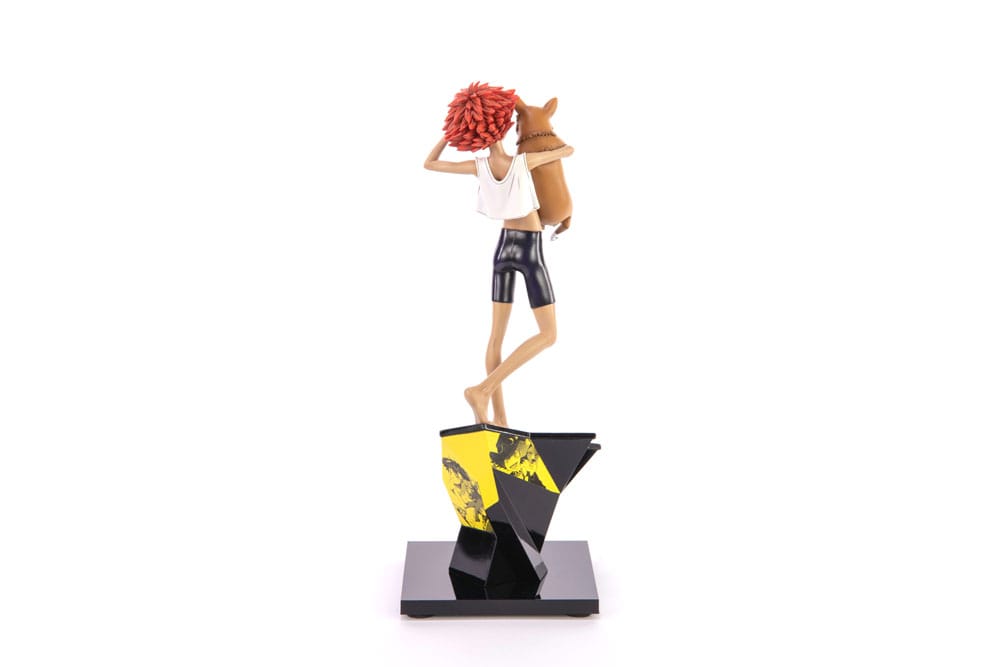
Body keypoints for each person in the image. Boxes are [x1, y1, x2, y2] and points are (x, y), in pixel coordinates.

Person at [424, 83, 574, 426]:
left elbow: (430, 164)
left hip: (502, 249)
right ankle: (483, 390)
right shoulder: (523, 161)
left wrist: (451, 134)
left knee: (495, 339)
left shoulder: (478, 166)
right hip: (529, 249)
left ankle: (500, 419)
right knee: (548, 335)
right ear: (504, 127)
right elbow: (566, 151)